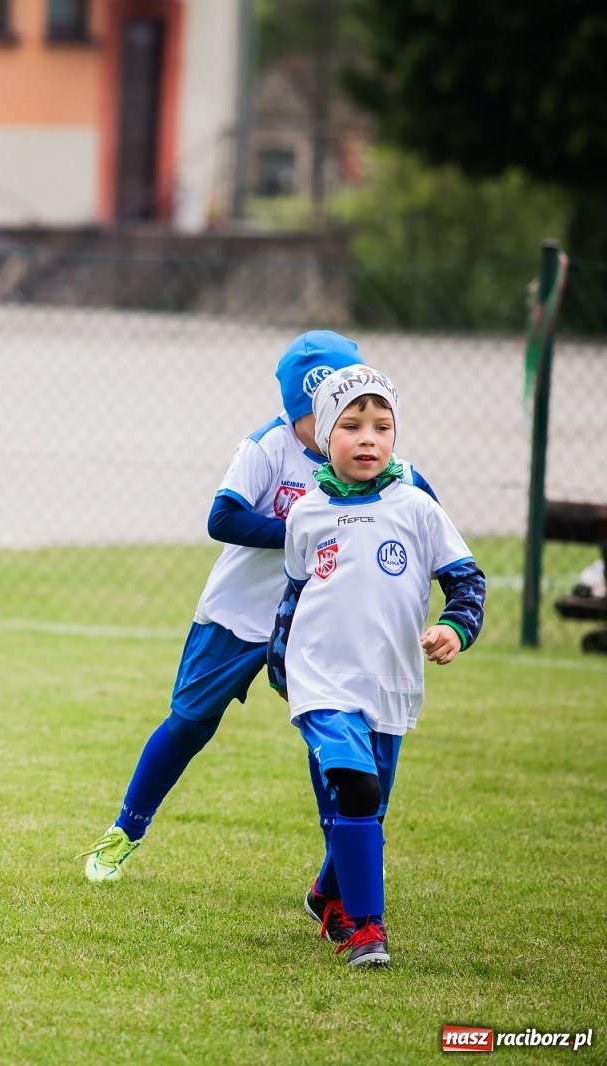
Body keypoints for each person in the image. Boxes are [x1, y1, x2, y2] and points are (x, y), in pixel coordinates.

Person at [79, 331, 439, 929]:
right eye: (325, 414)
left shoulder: (382, 462)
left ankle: (341, 889)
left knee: (337, 748)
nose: (344, 429)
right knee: (190, 723)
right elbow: (222, 517)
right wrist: (310, 528)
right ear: (305, 410)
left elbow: (427, 523)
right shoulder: (267, 447)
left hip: (320, 629)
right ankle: (126, 831)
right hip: (238, 617)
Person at [268, 365, 484, 966]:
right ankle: (367, 928)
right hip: (322, 680)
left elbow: (467, 582)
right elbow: (294, 595)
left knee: (370, 805)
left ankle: (326, 892)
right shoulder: (307, 512)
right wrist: (281, 663)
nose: (368, 438)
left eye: (382, 426)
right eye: (352, 425)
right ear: (324, 436)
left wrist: (453, 628)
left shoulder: (416, 506)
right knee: (356, 789)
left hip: (389, 682)